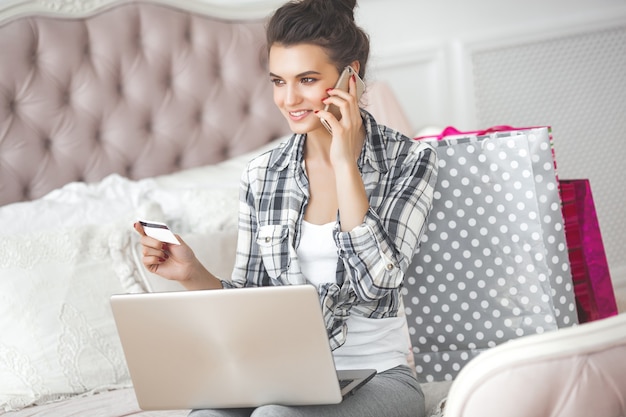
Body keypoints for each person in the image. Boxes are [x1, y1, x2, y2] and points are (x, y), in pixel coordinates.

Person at [134, 0, 438, 415]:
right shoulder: (262, 174)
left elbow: (376, 285)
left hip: (379, 377)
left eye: (307, 79)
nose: (289, 98)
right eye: (278, 81)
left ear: (351, 77)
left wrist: (344, 163)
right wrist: (192, 274)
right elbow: (250, 306)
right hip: (281, 375)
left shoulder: (410, 161)